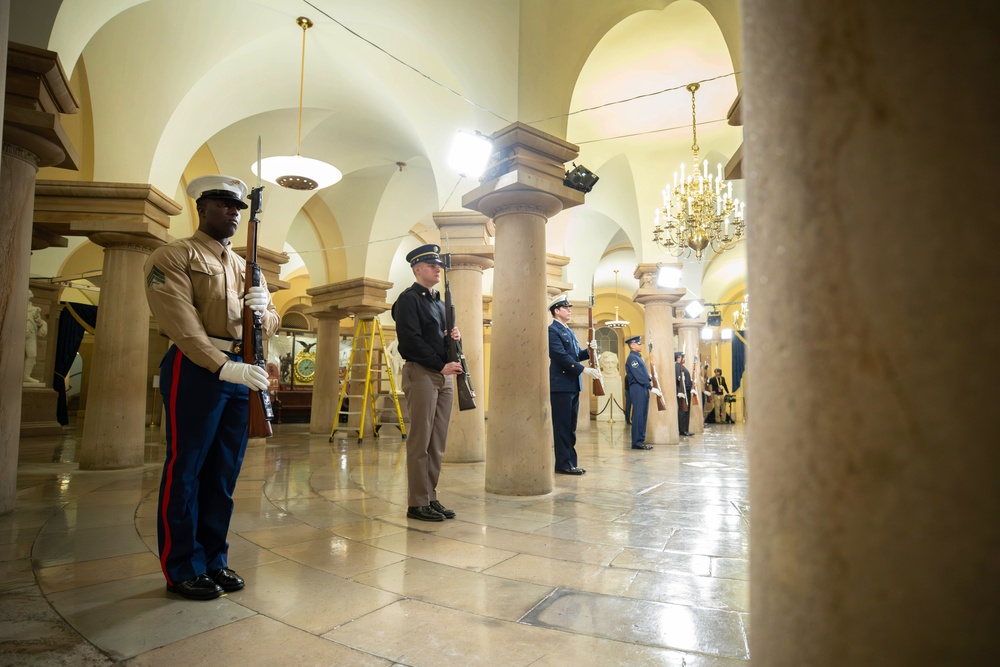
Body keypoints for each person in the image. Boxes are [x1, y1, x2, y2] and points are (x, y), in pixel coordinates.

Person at [144, 175, 278, 601]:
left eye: (238, 208)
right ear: (202, 208)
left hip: (243, 368)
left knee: (223, 472)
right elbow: (179, 323)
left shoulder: (246, 266)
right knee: (187, 468)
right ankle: (182, 566)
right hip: (196, 368)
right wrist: (223, 366)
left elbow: (269, 321)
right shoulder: (173, 255)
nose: (233, 213)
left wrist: (264, 310)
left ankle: (214, 560)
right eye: (224, 205)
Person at [391, 243, 463, 521]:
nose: (437, 269)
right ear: (417, 269)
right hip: (422, 372)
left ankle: (431, 496)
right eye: (432, 265)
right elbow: (411, 341)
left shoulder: (441, 304)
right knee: (420, 440)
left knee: (437, 442)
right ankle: (417, 502)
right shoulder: (409, 300)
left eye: (438, 265)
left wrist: (455, 337)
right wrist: (439, 365)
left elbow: (442, 340)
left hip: (444, 374)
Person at [548, 293, 600, 474]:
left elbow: (576, 355)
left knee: (570, 428)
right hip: (560, 385)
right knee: (562, 427)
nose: (569, 310)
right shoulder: (552, 330)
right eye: (566, 308)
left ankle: (571, 462)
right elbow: (560, 357)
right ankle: (563, 464)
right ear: (556, 310)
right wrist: (583, 370)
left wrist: (590, 351)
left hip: (571, 384)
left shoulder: (568, 331)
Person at [623, 335, 661, 450]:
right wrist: (650, 387)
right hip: (638, 388)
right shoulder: (633, 358)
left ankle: (640, 440)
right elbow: (638, 376)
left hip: (642, 387)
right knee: (638, 415)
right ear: (632, 345)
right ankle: (637, 442)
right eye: (638, 344)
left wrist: (650, 377)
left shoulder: (637, 357)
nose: (640, 345)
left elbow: (642, 374)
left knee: (643, 414)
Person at [24, 290, 47, 385]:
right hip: (18, 334)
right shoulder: (17, 307)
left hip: (31, 334)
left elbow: (39, 323)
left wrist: (39, 321)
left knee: (32, 355)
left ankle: (26, 376)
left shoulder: (35, 309)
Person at [675, 351, 694, 436]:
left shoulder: (681, 367)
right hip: (682, 392)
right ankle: (683, 430)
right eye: (682, 357)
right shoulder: (677, 367)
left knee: (685, 410)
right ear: (678, 358)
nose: (684, 358)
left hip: (686, 391)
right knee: (683, 410)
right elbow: (679, 380)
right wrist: (680, 390)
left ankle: (685, 429)